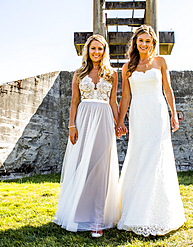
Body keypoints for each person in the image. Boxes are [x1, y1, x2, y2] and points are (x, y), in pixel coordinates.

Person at [115, 25, 186, 237]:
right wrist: (120, 121)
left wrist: (173, 113)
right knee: (140, 156)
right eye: (140, 41)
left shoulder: (161, 62)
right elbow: (125, 96)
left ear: (153, 43)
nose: (144, 44)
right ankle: (136, 211)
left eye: (148, 41)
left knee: (157, 158)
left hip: (157, 113)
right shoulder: (127, 67)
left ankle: (159, 213)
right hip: (138, 114)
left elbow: (168, 89)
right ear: (135, 43)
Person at [52, 34, 119, 238]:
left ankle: (97, 220)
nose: (96, 52)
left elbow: (113, 101)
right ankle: (78, 214)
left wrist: (120, 123)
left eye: (100, 49)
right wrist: (72, 126)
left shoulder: (112, 74)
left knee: (101, 169)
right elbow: (74, 101)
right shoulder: (79, 73)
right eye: (93, 49)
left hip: (105, 121)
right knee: (83, 166)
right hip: (84, 120)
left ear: (104, 51)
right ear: (87, 51)